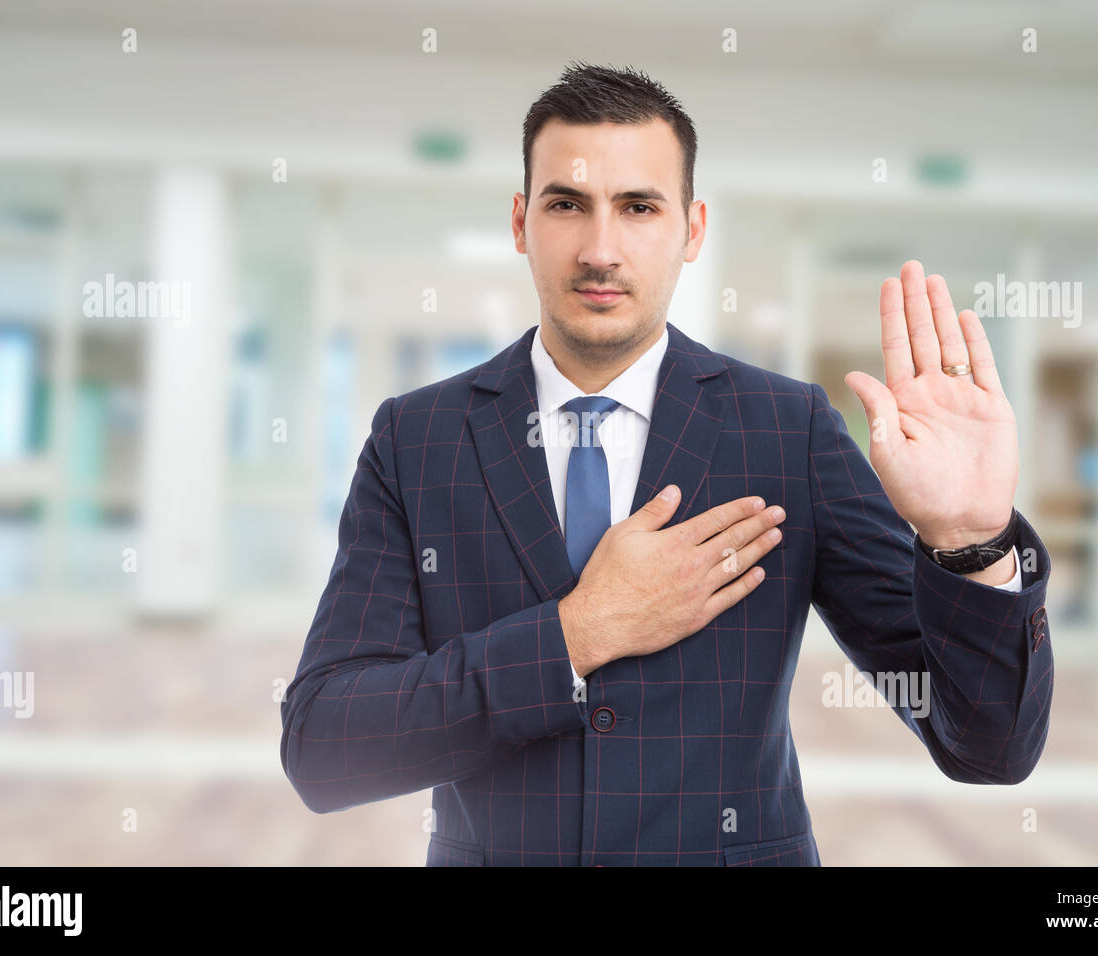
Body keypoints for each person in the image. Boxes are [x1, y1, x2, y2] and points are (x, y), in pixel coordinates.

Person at [280, 62, 1053, 866]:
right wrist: (577, 633)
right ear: (520, 222)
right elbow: (326, 744)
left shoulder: (788, 431)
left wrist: (973, 542)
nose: (600, 248)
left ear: (692, 229)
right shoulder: (418, 439)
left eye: (639, 207)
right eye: (566, 204)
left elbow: (986, 748)